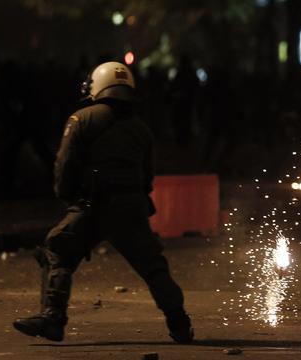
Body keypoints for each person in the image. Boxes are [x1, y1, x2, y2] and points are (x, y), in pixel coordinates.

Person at [12, 62, 194, 343]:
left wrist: (68, 198)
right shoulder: (141, 129)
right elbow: (147, 175)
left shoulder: (82, 119)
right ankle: (179, 323)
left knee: (57, 248)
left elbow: (65, 166)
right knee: (153, 266)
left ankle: (53, 318)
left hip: (92, 205)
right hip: (132, 206)